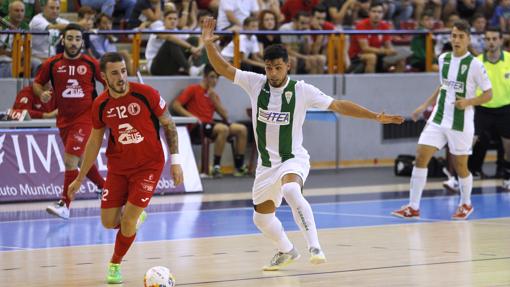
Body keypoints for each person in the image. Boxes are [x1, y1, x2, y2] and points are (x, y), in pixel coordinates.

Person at [201, 16, 404, 270]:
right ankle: (287, 250)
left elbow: (338, 105)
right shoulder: (255, 84)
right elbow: (225, 69)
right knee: (261, 219)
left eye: (277, 67)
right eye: (268, 68)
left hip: (293, 158)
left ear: (288, 65)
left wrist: (375, 116)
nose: (273, 73)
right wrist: (209, 44)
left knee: (291, 191)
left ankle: (314, 246)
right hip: (266, 166)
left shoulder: (302, 90)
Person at [67, 52, 183, 284]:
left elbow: (169, 125)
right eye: (114, 73)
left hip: (149, 165)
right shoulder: (100, 105)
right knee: (108, 222)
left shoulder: (146, 94)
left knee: (128, 220)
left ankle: (115, 264)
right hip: (118, 168)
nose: (121, 77)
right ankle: (135, 218)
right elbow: (94, 141)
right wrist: (79, 178)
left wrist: (176, 161)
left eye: (123, 71)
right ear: (103, 77)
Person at [391, 20, 493, 221]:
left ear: (468, 39)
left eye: (461, 37)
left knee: (460, 165)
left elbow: (489, 94)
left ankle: (466, 203)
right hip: (439, 117)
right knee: (421, 156)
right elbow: (443, 87)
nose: (456, 40)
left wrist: (469, 102)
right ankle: (413, 206)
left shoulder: (474, 64)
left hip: (461, 121)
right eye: (454, 36)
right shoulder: (444, 58)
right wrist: (424, 105)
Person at [33, 23, 106, 219]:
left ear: (82, 42)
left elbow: (108, 84)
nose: (74, 43)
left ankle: (65, 204)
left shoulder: (91, 64)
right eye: (70, 38)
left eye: (77, 39)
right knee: (83, 160)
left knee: (70, 160)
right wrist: (42, 95)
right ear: (63, 40)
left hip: (86, 118)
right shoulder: (52, 64)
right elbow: (37, 83)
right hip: (64, 119)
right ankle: (105, 189)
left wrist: (105, 106)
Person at [172, 64, 249, 177]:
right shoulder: (193, 89)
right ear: (204, 76)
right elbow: (176, 105)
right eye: (212, 77)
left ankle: (239, 167)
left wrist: (214, 100)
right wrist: (193, 118)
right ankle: (216, 167)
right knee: (223, 129)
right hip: (197, 127)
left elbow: (225, 116)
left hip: (211, 125)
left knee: (241, 129)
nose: (214, 80)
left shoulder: (214, 95)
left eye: (217, 78)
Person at [467, 27, 510, 190]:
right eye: (488, 39)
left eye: (494, 39)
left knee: (508, 147)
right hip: (482, 109)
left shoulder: (509, 59)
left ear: (500, 40)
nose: (491, 42)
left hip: (506, 109)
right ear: (484, 41)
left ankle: (507, 176)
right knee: (468, 142)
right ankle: (459, 178)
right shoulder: (476, 62)